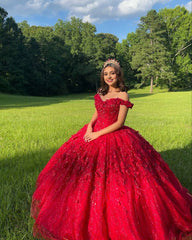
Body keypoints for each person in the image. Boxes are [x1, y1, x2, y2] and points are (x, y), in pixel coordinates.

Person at [31, 59, 192, 240]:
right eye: (106, 74)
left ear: (118, 75)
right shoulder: (100, 93)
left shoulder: (123, 95)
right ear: (103, 76)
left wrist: (98, 135)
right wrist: (90, 128)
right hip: (93, 132)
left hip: (113, 135)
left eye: (112, 73)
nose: (109, 77)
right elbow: (96, 114)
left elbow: (119, 123)